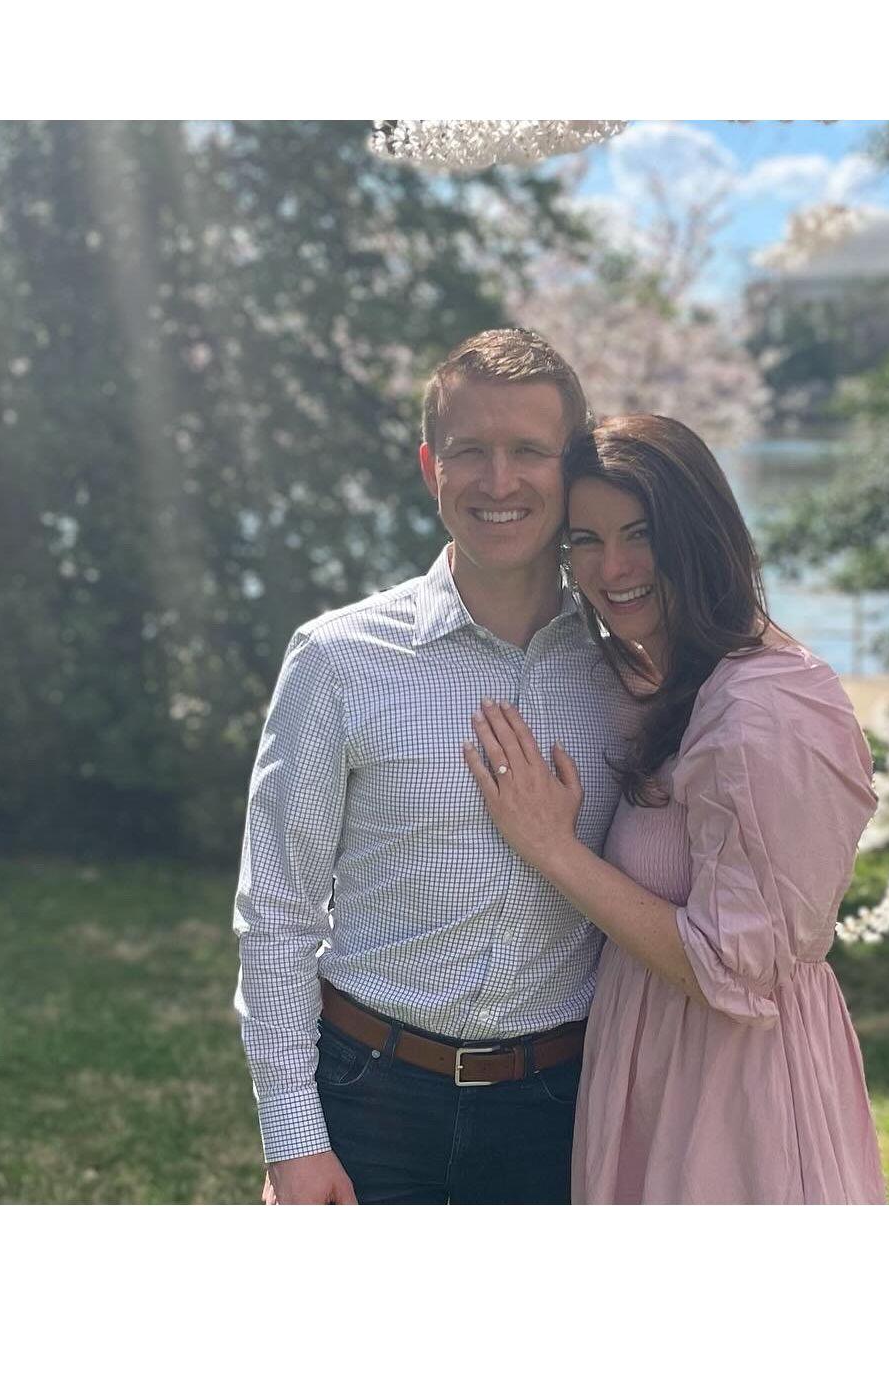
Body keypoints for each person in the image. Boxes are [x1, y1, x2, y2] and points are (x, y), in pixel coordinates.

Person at [232, 329, 635, 1204]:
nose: (499, 482)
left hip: (563, 1107)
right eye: (470, 452)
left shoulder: (626, 673)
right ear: (430, 468)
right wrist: (292, 1138)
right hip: (368, 1097)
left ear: (570, 468)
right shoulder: (336, 660)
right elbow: (277, 913)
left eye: (529, 451)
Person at [464, 413, 887, 1203]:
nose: (611, 567)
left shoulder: (767, 710)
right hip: (651, 1061)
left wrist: (553, 850)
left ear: (699, 534)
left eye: (639, 533)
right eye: (583, 540)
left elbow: (734, 965)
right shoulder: (660, 681)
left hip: (732, 1088)